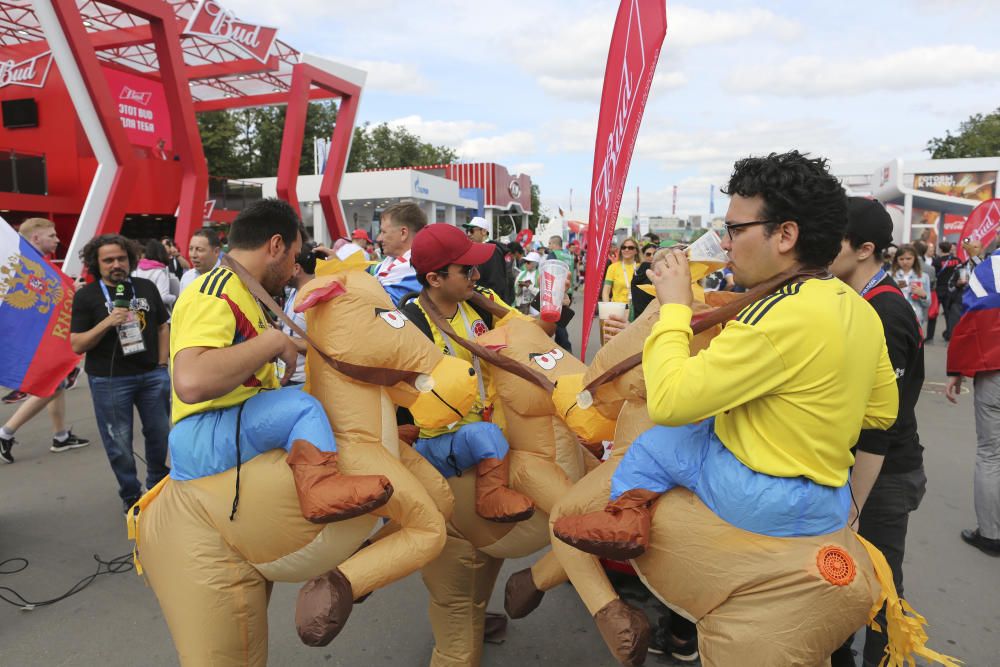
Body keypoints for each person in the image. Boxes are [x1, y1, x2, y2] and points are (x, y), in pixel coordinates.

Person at [554, 150, 897, 565]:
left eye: (735, 229)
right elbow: (880, 412)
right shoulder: (859, 307)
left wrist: (675, 308)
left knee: (658, 443)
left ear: (786, 235)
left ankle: (624, 519)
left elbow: (668, 402)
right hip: (829, 497)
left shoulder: (774, 315)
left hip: (761, 495)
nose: (727, 243)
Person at [168, 198, 391, 524]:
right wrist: (272, 341)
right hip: (206, 431)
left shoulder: (243, 290)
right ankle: (323, 491)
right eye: (293, 256)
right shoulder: (215, 290)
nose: (293, 269)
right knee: (301, 406)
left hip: (227, 424)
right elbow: (191, 381)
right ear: (275, 245)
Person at [828, 198, 927, 667]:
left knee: (881, 585)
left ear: (865, 249)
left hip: (881, 475)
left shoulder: (885, 313)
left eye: (833, 238)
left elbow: (880, 423)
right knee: (848, 579)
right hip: (862, 468)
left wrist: (853, 505)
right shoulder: (855, 300)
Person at [400, 223, 535, 523]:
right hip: (444, 441)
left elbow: (529, 334)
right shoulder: (411, 324)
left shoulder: (481, 300)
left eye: (476, 267)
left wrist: (554, 310)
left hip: (497, 428)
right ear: (434, 278)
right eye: (467, 270)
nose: (477, 275)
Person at [68, 234, 170, 511]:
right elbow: (77, 344)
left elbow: (163, 326)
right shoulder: (87, 296)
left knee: (160, 434)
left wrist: (162, 365)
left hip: (152, 375)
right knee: (119, 443)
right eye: (108, 260)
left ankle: (158, 487)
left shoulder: (145, 287)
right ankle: (131, 494)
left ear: (131, 259)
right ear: (96, 263)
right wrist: (107, 322)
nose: (116, 264)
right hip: (110, 380)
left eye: (121, 258)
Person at [0, 218, 89, 464]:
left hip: (39, 340)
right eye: (52, 235)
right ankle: (6, 432)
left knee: (56, 382)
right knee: (54, 381)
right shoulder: (27, 266)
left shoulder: (40, 265)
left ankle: (60, 436)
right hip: (33, 343)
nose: (58, 239)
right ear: (36, 238)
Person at [945, 244, 1000, 557]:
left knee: (991, 453)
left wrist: (958, 370)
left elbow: (972, 320)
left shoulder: (990, 269)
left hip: (994, 370)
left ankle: (991, 534)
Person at [371, 202, 426, 305]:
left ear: (403, 233)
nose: (379, 238)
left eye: (383, 232)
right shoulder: (391, 261)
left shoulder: (416, 271)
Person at [281, 241, 318, 386]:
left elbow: (319, 347)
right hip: (288, 377)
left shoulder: (314, 299)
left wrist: (277, 339)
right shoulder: (295, 291)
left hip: (302, 381)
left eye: (284, 264)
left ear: (296, 269)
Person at [463, 217, 514, 304]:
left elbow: (496, 282)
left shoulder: (492, 250)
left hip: (490, 303)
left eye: (471, 230)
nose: (468, 234)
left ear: (483, 232)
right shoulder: (481, 249)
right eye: (467, 231)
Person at [891, 243, 931, 338]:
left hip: (915, 317)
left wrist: (923, 295)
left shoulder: (924, 277)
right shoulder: (890, 276)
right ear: (896, 260)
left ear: (915, 259)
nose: (905, 262)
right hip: (895, 317)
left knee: (914, 348)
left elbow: (928, 303)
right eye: (901, 259)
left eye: (908, 258)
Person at [601, 237, 639, 318]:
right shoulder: (613, 267)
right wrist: (607, 308)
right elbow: (606, 291)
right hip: (617, 309)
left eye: (630, 248)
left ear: (636, 251)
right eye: (623, 247)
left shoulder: (641, 267)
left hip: (637, 310)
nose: (626, 250)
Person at [133, 239, 176, 310]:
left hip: (138, 310)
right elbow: (163, 297)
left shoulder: (136, 269)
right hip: (155, 311)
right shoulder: (160, 272)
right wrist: (175, 297)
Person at [932, 241, 961, 341]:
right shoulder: (957, 260)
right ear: (950, 249)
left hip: (939, 289)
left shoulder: (936, 261)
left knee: (933, 312)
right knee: (949, 313)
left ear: (940, 249)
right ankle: (950, 333)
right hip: (951, 290)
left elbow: (933, 274)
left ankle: (930, 335)